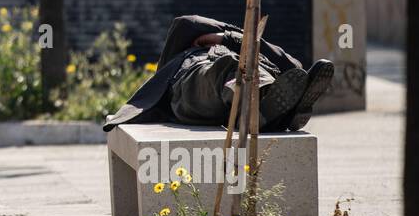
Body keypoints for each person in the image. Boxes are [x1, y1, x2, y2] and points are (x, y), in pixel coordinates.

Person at [103, 14, 334, 134]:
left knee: (248, 67)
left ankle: (276, 110)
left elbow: (294, 66)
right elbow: (186, 24)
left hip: (237, 91)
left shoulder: (246, 50)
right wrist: (219, 39)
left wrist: (231, 38)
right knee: (229, 68)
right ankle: (274, 108)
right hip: (191, 89)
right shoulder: (186, 57)